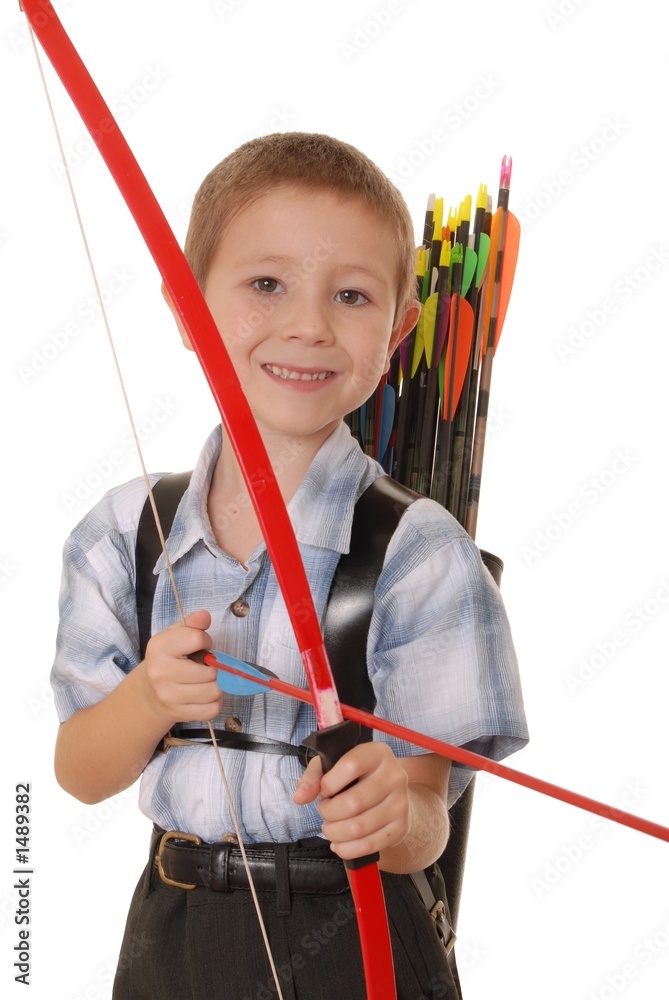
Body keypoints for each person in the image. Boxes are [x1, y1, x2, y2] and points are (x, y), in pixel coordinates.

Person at [51, 132, 528, 1000]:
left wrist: (393, 811)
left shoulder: (419, 551)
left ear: (400, 332)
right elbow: (80, 771)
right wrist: (148, 699)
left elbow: (426, 819)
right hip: (170, 930)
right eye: (265, 284)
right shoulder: (125, 531)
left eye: (351, 295)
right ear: (186, 306)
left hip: (353, 933)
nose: (308, 325)